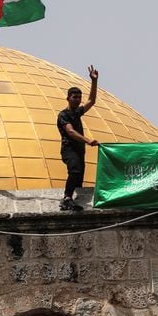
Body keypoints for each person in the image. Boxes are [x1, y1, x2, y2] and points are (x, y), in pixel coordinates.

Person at [56, 66, 99, 211]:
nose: (78, 100)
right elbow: (71, 132)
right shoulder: (63, 114)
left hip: (79, 151)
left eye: (79, 97)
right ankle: (66, 198)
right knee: (74, 171)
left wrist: (94, 81)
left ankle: (74, 201)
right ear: (68, 98)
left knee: (79, 176)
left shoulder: (78, 112)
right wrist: (88, 140)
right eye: (74, 97)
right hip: (69, 150)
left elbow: (91, 100)